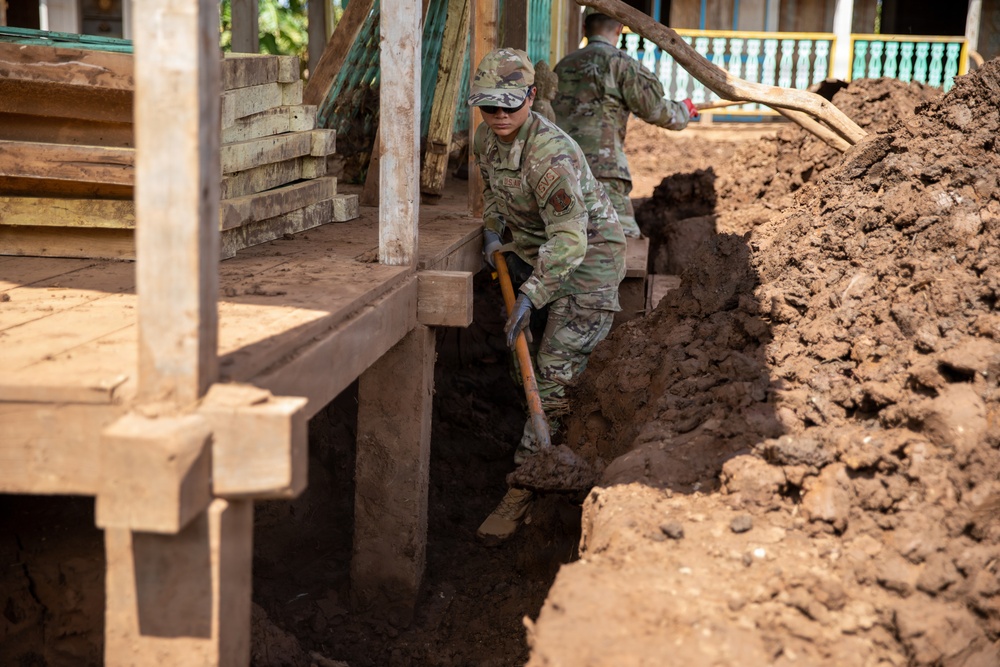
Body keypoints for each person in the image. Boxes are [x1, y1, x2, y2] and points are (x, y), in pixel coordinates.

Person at [469, 47, 627, 543]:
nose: (497, 117)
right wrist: (494, 229)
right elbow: (494, 193)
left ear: (531, 98)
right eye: (487, 107)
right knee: (526, 365)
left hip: (589, 260)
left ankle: (524, 487)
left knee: (554, 374)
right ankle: (549, 428)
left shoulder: (549, 156)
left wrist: (532, 295)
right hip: (540, 249)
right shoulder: (486, 139)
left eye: (508, 106)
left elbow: (571, 240)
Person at [552, 9, 699, 238]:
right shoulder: (622, 64)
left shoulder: (563, 66)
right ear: (619, 31)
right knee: (620, 238)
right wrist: (683, 110)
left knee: (567, 231)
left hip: (560, 164)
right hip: (603, 168)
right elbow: (654, 109)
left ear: (584, 30)